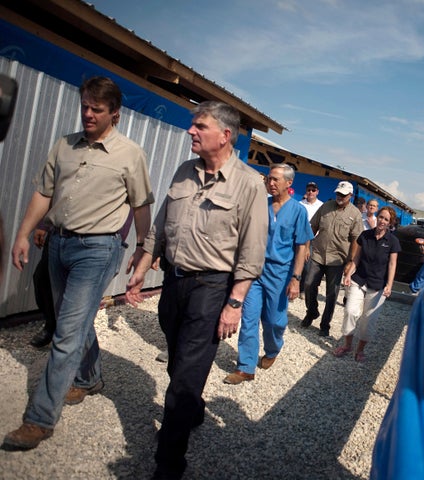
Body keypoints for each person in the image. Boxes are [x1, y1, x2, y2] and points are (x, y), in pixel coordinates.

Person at [3, 76, 154, 451]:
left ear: (114, 114)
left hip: (98, 250)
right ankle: (89, 379)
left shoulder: (130, 154)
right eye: (84, 105)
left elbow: (141, 205)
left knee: (67, 332)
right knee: (73, 318)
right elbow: (43, 191)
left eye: (96, 109)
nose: (87, 114)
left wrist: (142, 249)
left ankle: (39, 418)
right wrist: (23, 233)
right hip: (58, 243)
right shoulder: (65, 145)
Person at [125, 100, 267, 479]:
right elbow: (160, 225)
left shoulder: (250, 183)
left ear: (225, 135)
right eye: (192, 125)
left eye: (199, 126)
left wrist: (234, 303)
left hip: (212, 286)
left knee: (187, 371)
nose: (191, 131)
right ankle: (193, 407)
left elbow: (252, 252)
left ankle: (169, 463)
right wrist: (142, 266)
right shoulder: (184, 170)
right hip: (174, 282)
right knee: (177, 360)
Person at [224, 163, 313, 384]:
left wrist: (296, 278)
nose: (270, 183)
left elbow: (302, 246)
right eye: (268, 179)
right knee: (249, 318)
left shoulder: (298, 211)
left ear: (289, 183)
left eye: (275, 180)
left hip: (280, 273)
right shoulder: (259, 206)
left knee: (274, 321)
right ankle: (245, 367)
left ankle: (273, 349)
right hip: (254, 270)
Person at [334, 206, 400, 362]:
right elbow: (356, 258)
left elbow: (392, 264)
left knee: (368, 320)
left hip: (378, 285)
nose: (382, 221)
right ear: (376, 217)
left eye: (386, 219)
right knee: (350, 311)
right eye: (381, 217)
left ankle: (360, 350)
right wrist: (349, 274)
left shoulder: (392, 241)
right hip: (360, 280)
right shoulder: (365, 235)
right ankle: (347, 345)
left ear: (390, 223)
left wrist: (389, 285)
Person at [301, 180, 363, 337]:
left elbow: (356, 239)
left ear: (350, 195)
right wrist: (307, 247)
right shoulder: (325, 207)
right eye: (338, 193)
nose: (340, 197)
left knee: (331, 293)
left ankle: (325, 324)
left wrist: (350, 262)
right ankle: (312, 311)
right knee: (308, 284)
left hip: (338, 258)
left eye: (343, 195)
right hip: (318, 253)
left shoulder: (355, 214)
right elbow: (312, 226)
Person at [28, 224, 56, 348]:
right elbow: (52, 203)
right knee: (42, 278)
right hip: (59, 231)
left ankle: (66, 335)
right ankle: (51, 325)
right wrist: (44, 226)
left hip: (98, 240)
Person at [299, 181, 323, 295]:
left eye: (313, 190)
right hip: (300, 237)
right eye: (309, 190)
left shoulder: (321, 206)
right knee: (297, 262)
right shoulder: (300, 204)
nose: (311, 192)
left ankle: (303, 289)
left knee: (308, 266)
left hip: (314, 239)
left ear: (317, 192)